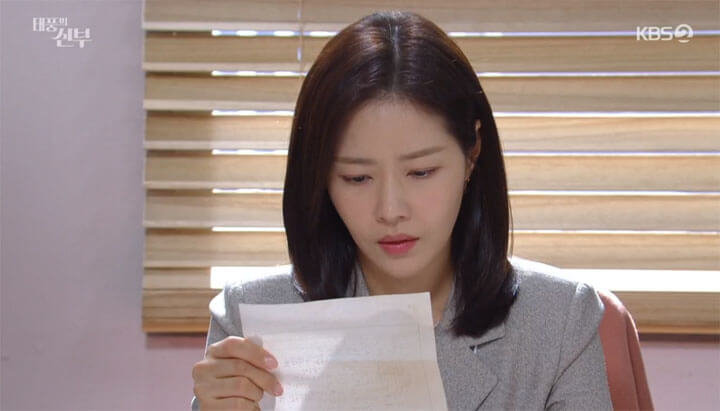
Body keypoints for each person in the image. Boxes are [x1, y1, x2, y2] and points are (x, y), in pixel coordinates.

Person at [191, 10, 612, 410]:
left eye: (421, 172)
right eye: (357, 178)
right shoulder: (253, 322)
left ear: (472, 154)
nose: (390, 210)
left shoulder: (559, 318)